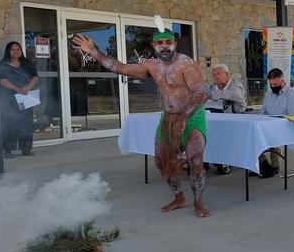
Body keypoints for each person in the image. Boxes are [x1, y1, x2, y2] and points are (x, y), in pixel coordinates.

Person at [73, 28, 211, 218]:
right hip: (169, 118)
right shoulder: (152, 66)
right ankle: (179, 197)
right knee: (161, 161)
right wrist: (95, 52)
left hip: (192, 115)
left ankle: (198, 202)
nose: (164, 46)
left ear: (174, 44)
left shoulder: (185, 63)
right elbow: (120, 68)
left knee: (195, 161)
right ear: (154, 46)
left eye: (167, 42)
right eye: (160, 43)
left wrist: (184, 118)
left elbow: (202, 93)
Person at [254, 67, 294, 178]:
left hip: (286, 127)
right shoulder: (268, 94)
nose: (273, 87)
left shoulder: (292, 94)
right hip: (269, 125)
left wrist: (274, 122)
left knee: (272, 134)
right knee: (251, 135)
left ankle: (274, 166)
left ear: (282, 80)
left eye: (275, 85)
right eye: (271, 84)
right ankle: (264, 164)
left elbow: (293, 116)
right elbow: (263, 112)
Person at [0, 42, 39, 158]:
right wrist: (17, 89)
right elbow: (1, 80)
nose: (16, 51)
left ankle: (26, 148)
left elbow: (35, 77)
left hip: (25, 98)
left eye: (18, 49)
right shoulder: (1, 65)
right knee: (9, 123)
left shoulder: (27, 64)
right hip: (8, 99)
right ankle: (8, 150)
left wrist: (27, 88)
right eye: (13, 49)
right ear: (8, 51)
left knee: (26, 124)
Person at [204, 64, 247, 174]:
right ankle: (205, 159)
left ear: (227, 74)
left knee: (221, 134)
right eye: (214, 75)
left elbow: (235, 95)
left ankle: (223, 161)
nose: (216, 77)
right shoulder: (213, 87)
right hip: (217, 119)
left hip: (236, 120)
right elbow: (203, 94)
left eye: (218, 74)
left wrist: (214, 95)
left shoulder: (236, 85)